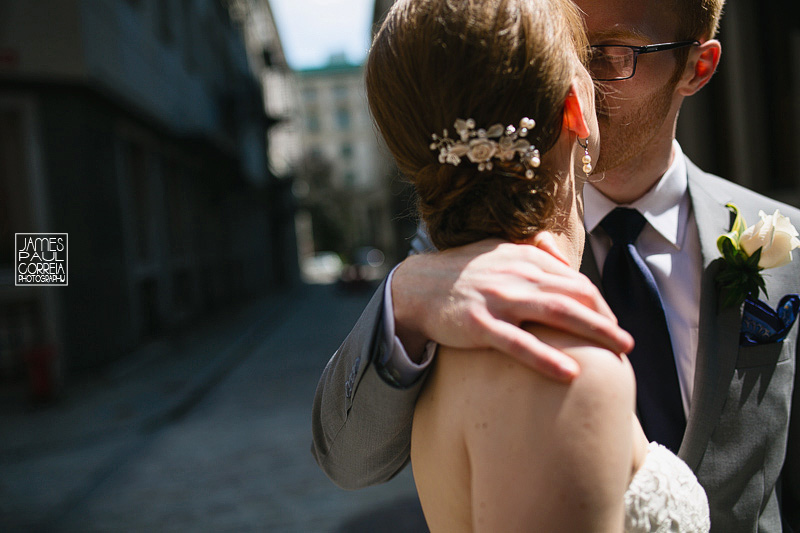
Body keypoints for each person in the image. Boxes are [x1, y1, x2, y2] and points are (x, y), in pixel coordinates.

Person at [311, 0, 800, 530]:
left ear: (696, 68)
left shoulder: (780, 235)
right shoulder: (446, 266)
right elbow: (347, 458)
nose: (573, 71)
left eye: (609, 53)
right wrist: (399, 302)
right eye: (562, 48)